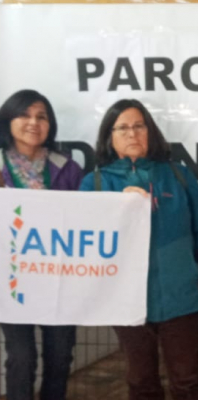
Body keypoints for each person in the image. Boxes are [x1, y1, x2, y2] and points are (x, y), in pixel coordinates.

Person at [79, 99, 198, 400]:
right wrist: (118, 206)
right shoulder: (95, 183)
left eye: (138, 126)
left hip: (180, 295)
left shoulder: (178, 174)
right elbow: (86, 239)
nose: (132, 133)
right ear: (109, 137)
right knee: (141, 381)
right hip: (126, 298)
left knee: (188, 380)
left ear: (150, 131)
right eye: (122, 128)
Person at [0, 89, 83, 400]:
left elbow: (88, 216)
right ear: (8, 120)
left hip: (58, 276)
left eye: (41, 116)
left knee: (60, 355)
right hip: (10, 278)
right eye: (24, 115)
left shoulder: (68, 167)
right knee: (21, 357)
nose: (33, 122)